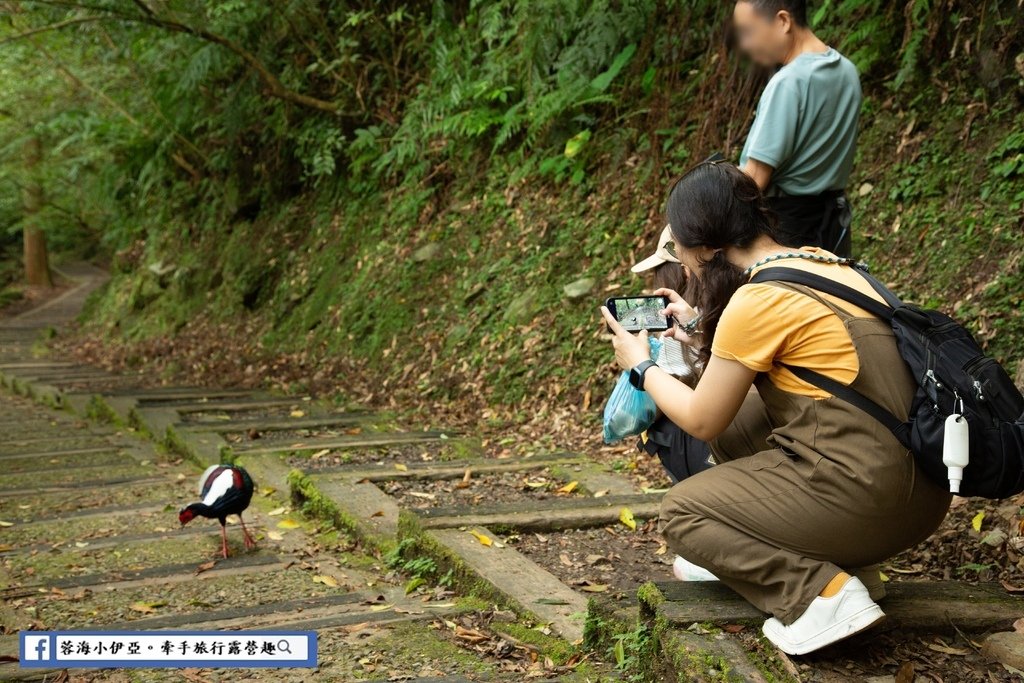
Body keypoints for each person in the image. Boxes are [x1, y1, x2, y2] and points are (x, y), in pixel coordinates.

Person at [600, 160, 950, 655]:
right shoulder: (825, 265)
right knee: (738, 426)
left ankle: (820, 596)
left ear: (705, 246)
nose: (677, 253)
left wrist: (641, 364)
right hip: (922, 493)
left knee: (683, 514)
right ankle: (845, 563)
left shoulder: (757, 299)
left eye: (677, 243)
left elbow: (700, 417)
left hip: (872, 496)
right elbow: (744, 395)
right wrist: (696, 333)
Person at [733, 0, 862, 257]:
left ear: (783, 21)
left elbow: (754, 180)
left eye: (749, 32)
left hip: (786, 231)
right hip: (832, 226)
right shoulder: (847, 71)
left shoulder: (788, 83)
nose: (745, 44)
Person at [630, 225, 714, 482]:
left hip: (701, 439)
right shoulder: (724, 305)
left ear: (682, 270)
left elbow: (658, 401)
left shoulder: (679, 321)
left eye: (659, 271)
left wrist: (638, 363)